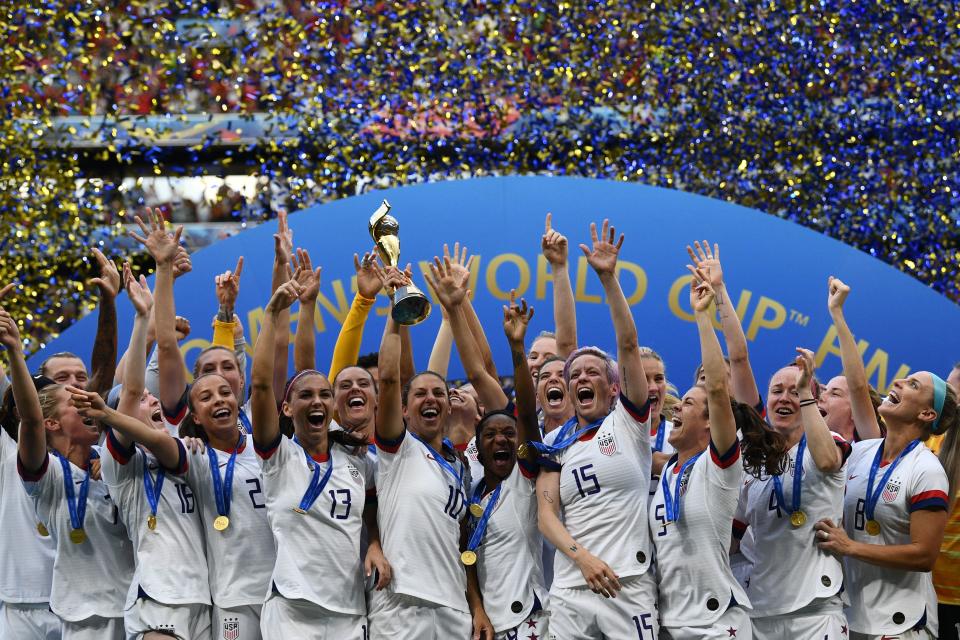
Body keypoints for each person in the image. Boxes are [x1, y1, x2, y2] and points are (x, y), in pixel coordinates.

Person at [132, 210, 274, 639]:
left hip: (282, 590)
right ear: (192, 410)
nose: (219, 389)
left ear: (240, 384)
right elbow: (170, 353)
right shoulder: (182, 443)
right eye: (206, 384)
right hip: (219, 593)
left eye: (227, 375)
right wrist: (163, 275)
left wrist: (228, 313)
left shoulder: (266, 436)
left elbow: (269, 371)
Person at [814, 277, 956, 640]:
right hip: (851, 616)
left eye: (913, 386)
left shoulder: (927, 469)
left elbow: (924, 555)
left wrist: (850, 547)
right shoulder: (863, 452)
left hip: (903, 623)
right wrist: (838, 314)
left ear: (927, 415)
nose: (900, 382)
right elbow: (859, 387)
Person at [536, 219, 658, 639]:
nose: (581, 377)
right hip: (572, 585)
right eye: (574, 375)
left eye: (592, 372)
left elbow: (627, 345)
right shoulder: (554, 442)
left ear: (613, 385)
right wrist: (581, 559)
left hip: (630, 584)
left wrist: (608, 279)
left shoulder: (629, 423)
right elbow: (546, 514)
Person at [650, 268, 787, 639]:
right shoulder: (666, 473)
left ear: (712, 422)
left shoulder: (720, 465)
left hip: (715, 624)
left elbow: (717, 386)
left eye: (689, 404)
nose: (676, 409)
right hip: (670, 620)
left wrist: (702, 317)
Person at [250, 273, 385, 639]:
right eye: (305, 395)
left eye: (325, 394)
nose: (316, 401)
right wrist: (272, 313)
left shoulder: (359, 461)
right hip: (292, 610)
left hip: (349, 610)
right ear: (288, 409)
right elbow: (261, 385)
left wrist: (373, 543)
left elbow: (371, 508)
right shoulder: (279, 455)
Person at [92, 263, 211, 640]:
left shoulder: (180, 441)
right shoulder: (118, 465)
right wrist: (142, 319)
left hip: (203, 595)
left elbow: (169, 348)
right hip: (158, 595)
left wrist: (165, 283)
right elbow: (127, 392)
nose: (151, 397)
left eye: (151, 395)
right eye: (144, 399)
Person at [9, 305, 134, 639]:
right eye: (77, 404)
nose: (89, 405)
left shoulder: (114, 462)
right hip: (85, 619)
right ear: (52, 422)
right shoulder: (46, 476)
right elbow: (30, 419)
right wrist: (14, 352)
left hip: (137, 609)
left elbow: (124, 386)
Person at [367, 266, 472, 640]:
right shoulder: (398, 449)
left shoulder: (460, 466)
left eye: (438, 393)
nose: (430, 398)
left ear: (449, 406)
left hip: (454, 606)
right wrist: (397, 310)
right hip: (402, 604)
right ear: (404, 410)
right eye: (420, 394)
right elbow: (390, 376)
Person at [734, 347, 852, 637]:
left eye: (795, 391)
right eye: (777, 391)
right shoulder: (753, 460)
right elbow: (733, 535)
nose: (785, 397)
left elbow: (826, 463)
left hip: (816, 609)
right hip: (760, 608)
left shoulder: (828, 442)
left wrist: (807, 392)